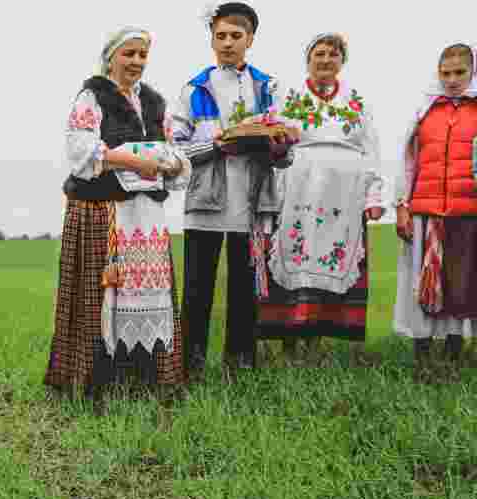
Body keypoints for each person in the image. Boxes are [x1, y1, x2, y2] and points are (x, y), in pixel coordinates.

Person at [45, 26, 191, 402]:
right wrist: (130, 158)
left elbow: (175, 151)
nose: (137, 62)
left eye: (142, 55)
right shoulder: (93, 96)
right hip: (103, 211)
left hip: (146, 217)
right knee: (104, 295)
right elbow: (80, 149)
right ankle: (96, 384)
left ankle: (146, 381)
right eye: (129, 54)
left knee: (146, 295)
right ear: (111, 57)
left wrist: (169, 165)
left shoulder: (156, 102)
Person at [170, 1, 295, 376]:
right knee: (196, 290)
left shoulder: (269, 87)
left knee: (244, 292)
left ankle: (239, 365)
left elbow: (286, 156)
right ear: (211, 38)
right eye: (220, 35)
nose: (227, 43)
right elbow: (176, 147)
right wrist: (217, 145)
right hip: (205, 201)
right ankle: (189, 365)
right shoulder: (194, 88)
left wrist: (277, 145)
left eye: (235, 36)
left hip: (252, 203)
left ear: (250, 39)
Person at [254, 33, 385, 356]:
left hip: (344, 198)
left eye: (333, 54)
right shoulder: (288, 98)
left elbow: (371, 151)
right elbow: (273, 143)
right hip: (297, 193)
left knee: (330, 261)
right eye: (319, 54)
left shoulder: (358, 101)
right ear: (308, 59)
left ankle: (315, 344)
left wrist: (374, 196)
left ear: (342, 60)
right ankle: (287, 345)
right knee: (292, 260)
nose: (326, 60)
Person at [393, 43, 477, 380]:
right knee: (422, 284)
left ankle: (454, 356)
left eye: (460, 73)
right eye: (446, 73)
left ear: (472, 72)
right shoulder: (424, 111)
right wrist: (401, 205)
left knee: (460, 284)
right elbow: (408, 163)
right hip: (425, 212)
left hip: (467, 213)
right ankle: (422, 358)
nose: (452, 80)